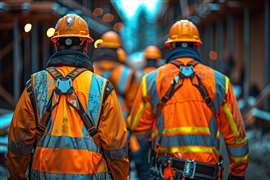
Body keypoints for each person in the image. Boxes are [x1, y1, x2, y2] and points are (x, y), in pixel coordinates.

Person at [7, 14, 129, 180]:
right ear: (86, 45)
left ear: (56, 43)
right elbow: (116, 146)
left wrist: (17, 176)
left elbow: (19, 141)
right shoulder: (102, 87)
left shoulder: (35, 84)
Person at [128, 20, 248, 180]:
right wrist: (237, 173)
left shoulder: (150, 81)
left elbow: (138, 128)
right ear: (197, 45)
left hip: (167, 174)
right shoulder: (220, 82)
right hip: (207, 174)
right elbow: (236, 136)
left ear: (170, 46)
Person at [93, 31, 138, 119]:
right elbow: (132, 103)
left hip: (94, 120)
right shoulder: (127, 73)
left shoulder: (90, 70)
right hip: (120, 120)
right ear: (118, 50)